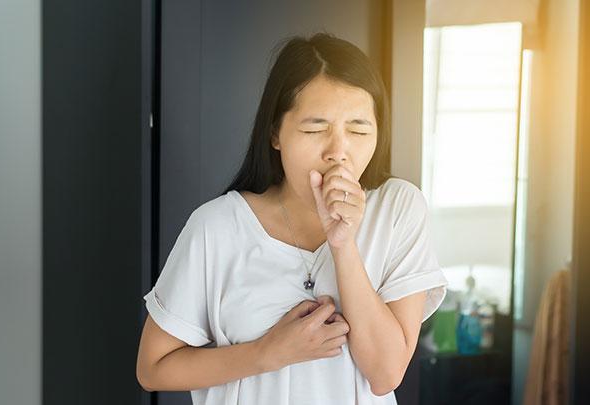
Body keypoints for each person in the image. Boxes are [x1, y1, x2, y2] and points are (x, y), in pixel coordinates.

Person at [136, 31, 448, 405]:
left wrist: (343, 244)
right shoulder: (216, 226)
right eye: (315, 129)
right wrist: (268, 353)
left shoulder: (399, 209)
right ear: (275, 134)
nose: (339, 152)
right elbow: (153, 368)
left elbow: (386, 374)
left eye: (358, 129)